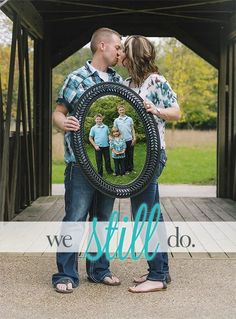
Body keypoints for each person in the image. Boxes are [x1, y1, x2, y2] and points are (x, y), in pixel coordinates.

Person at [52, 27, 123, 293]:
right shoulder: (75, 78)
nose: (120, 52)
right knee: (75, 217)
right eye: (118, 47)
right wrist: (64, 122)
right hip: (80, 165)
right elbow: (58, 113)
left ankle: (99, 270)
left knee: (103, 218)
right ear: (102, 46)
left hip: (105, 165)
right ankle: (65, 275)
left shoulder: (118, 82)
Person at [121, 35, 181, 293]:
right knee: (151, 215)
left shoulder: (156, 81)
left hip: (153, 156)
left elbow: (176, 112)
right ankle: (161, 272)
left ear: (132, 55)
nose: (119, 55)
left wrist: (154, 109)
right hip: (139, 155)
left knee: (144, 216)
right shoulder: (126, 83)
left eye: (122, 50)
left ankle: (156, 276)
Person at [113, 105, 136, 173]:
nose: (122, 111)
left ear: (124, 110)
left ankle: (131, 168)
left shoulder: (129, 119)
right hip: (121, 141)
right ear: (118, 111)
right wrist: (114, 139)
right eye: (120, 110)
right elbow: (115, 130)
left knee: (130, 155)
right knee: (124, 156)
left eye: (122, 109)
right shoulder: (116, 120)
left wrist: (134, 138)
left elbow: (132, 129)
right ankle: (125, 169)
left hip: (129, 139)